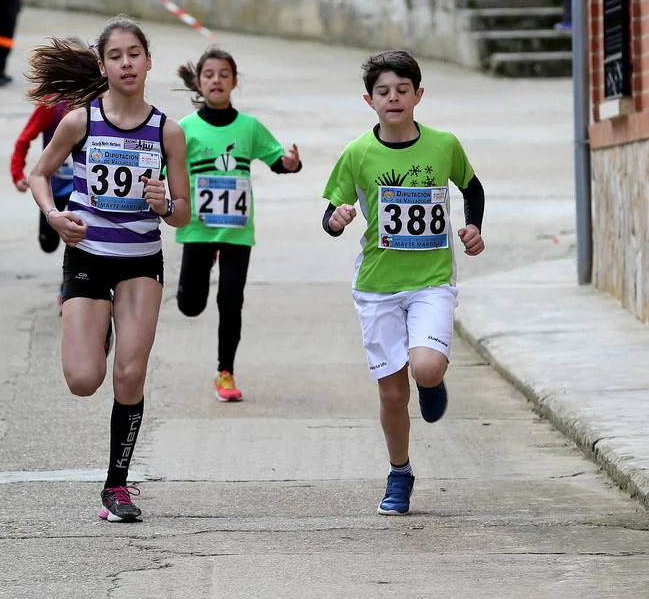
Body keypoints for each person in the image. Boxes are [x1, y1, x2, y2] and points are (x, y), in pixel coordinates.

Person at [27, 17, 191, 523]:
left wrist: (167, 204)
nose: (126, 63)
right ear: (102, 65)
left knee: (130, 373)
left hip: (141, 261)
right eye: (116, 55)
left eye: (134, 54)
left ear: (147, 62)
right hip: (88, 256)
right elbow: (40, 173)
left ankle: (117, 486)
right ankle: (87, 326)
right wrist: (55, 217)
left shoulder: (168, 131)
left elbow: (184, 212)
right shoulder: (80, 121)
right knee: (83, 379)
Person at [321, 50, 485, 516]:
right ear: (369, 100)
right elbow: (330, 214)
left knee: (426, 368)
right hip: (377, 287)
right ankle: (399, 472)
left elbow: (472, 187)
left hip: (431, 281)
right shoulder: (357, 153)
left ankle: (432, 382)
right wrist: (337, 220)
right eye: (383, 92)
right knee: (392, 393)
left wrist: (473, 226)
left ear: (418, 95)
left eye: (402, 90)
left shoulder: (443, 144)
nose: (393, 98)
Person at [175, 47, 301, 402]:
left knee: (231, 299)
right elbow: (168, 170)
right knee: (190, 305)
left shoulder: (249, 127)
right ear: (199, 82)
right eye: (209, 74)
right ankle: (199, 276)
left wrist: (289, 163)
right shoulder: (185, 129)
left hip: (237, 231)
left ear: (234, 81)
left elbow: (277, 159)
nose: (216, 80)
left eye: (224, 74)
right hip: (198, 229)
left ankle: (225, 371)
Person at [10, 97, 75, 311]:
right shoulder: (51, 106)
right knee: (48, 244)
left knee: (79, 238)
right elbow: (24, 139)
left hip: (82, 189)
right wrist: (18, 173)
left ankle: (68, 288)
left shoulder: (98, 104)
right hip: (53, 188)